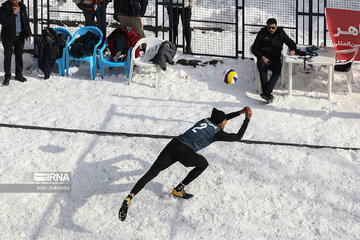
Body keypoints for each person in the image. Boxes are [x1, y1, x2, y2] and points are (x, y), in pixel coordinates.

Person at [119, 106, 252, 221]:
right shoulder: (217, 133)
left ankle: (129, 198)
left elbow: (222, 118)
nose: (226, 123)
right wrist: (247, 119)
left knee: (152, 172)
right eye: (224, 123)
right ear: (219, 124)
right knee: (203, 164)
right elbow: (237, 137)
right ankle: (178, 189)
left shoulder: (206, 120)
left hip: (174, 144)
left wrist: (239, 113)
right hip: (186, 152)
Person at [251, 18, 296, 103]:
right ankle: (267, 94)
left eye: (273, 28)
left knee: (277, 71)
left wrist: (293, 49)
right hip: (263, 57)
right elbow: (254, 48)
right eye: (269, 28)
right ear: (266, 27)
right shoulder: (261, 33)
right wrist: (262, 57)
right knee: (262, 69)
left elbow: (291, 43)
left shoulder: (281, 33)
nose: (270, 30)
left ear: (276, 26)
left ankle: (266, 92)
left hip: (275, 57)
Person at [0, 0, 32, 86]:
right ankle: (7, 76)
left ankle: (19, 74)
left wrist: (29, 33)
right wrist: (13, 13)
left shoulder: (22, 6)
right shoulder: (4, 8)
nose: (17, 1)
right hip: (8, 37)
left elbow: (25, 21)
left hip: (20, 36)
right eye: (15, 0)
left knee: (19, 55)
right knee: (8, 56)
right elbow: (4, 22)